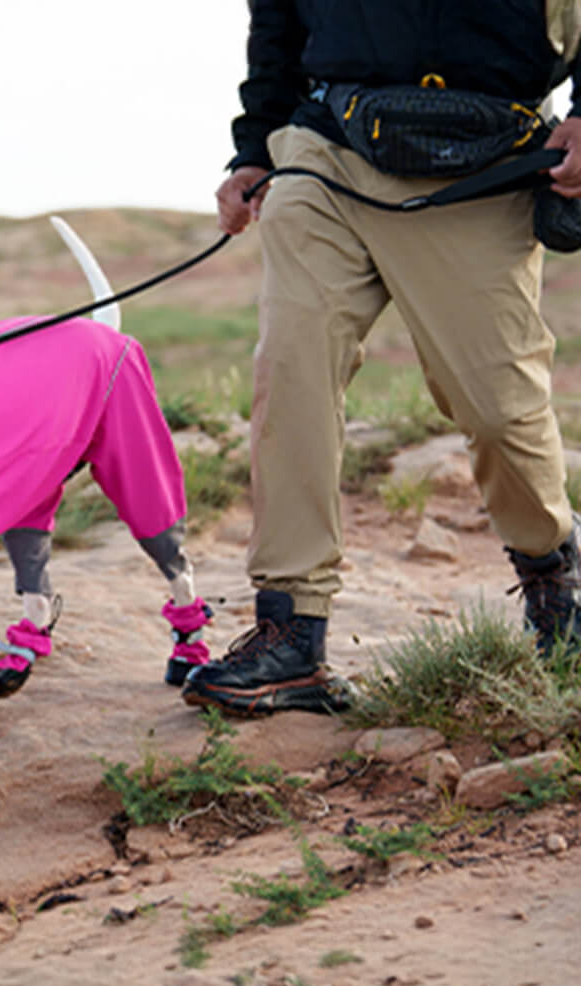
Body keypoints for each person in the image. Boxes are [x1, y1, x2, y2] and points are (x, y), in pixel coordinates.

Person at [182, 2, 581, 718]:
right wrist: (254, 150)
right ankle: (291, 631)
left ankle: (552, 580)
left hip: (487, 160)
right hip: (327, 149)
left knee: (497, 410)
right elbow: (278, 22)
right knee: (293, 374)